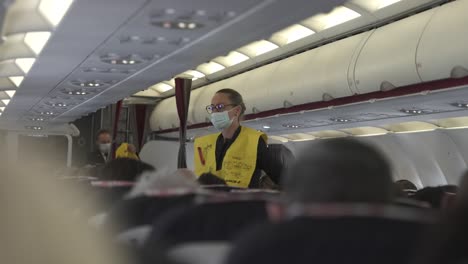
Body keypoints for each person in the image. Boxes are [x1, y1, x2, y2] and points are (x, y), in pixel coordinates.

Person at [193, 88, 269, 188]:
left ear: (237, 111)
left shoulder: (255, 141)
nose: (215, 112)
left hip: (243, 201)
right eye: (212, 108)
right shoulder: (205, 144)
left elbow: (276, 179)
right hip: (210, 201)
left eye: (220, 107)